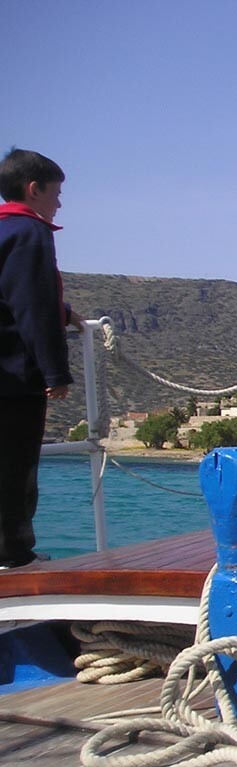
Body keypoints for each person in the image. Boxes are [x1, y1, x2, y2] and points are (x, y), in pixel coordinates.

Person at [0, 148, 82, 570]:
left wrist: (64, 311)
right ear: (34, 190)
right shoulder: (30, 233)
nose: (59, 202)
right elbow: (32, 306)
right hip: (13, 377)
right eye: (56, 192)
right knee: (15, 466)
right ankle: (14, 555)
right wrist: (55, 371)